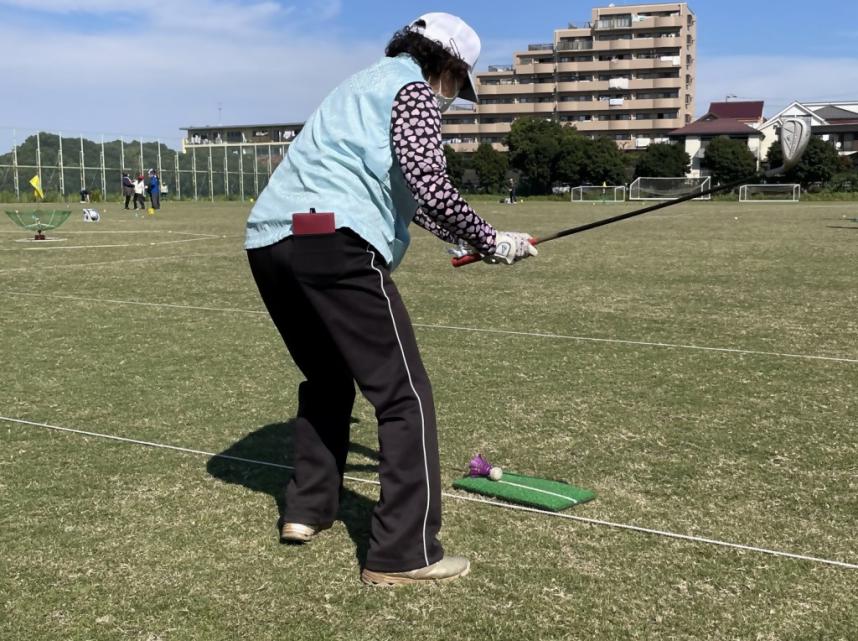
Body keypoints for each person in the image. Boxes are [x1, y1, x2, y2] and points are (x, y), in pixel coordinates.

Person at [245, 12, 537, 587]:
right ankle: (403, 553)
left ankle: (306, 510)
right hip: (336, 243)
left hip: (272, 243)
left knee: (327, 379)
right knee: (405, 397)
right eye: (459, 84)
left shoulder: (359, 85)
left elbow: (414, 198)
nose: (453, 98)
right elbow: (431, 182)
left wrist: (481, 239)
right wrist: (489, 237)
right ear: (447, 67)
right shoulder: (414, 92)